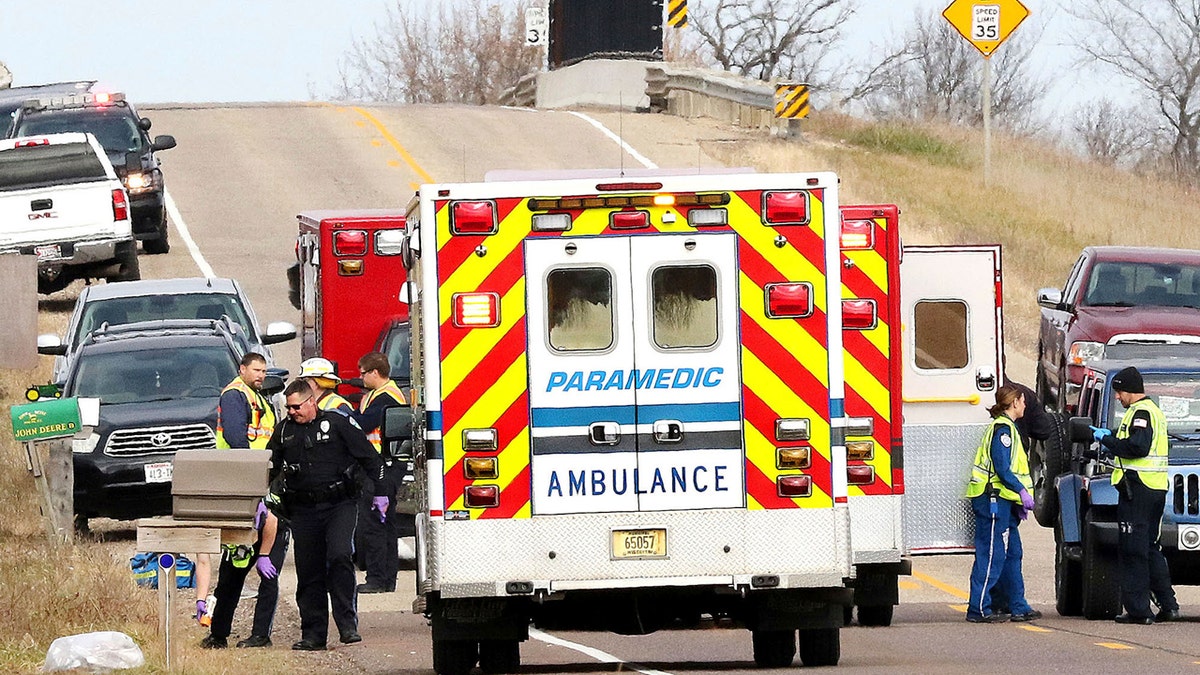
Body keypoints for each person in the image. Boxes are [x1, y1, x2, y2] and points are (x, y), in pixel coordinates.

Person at [267, 380, 390, 651]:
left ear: (312, 402)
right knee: (309, 570)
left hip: (339, 504)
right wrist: (261, 501)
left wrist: (381, 492)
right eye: (288, 407)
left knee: (338, 556)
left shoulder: (336, 423)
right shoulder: (285, 430)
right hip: (303, 509)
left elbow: (370, 459)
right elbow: (270, 467)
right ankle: (313, 633)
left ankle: (347, 624)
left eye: (297, 406)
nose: (292, 412)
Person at [1090, 366, 1180, 624]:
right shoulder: (1154, 412)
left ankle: (1139, 611)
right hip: (1154, 489)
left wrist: (1107, 441)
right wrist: (1116, 435)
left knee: (1133, 550)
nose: (1118, 397)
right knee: (1151, 548)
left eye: (1119, 392)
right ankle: (1168, 605)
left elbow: (1136, 447)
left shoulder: (1140, 412)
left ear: (1129, 390)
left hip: (1138, 489)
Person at [964, 384, 1040, 624]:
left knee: (1012, 553)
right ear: (1015, 402)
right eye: (1023, 400)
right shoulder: (1002, 431)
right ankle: (978, 608)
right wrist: (1021, 492)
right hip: (993, 501)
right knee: (992, 555)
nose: (1025, 405)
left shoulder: (1010, 428)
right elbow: (1002, 468)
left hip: (1005, 502)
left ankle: (1017, 605)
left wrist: (1018, 500)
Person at [353, 351, 407, 594]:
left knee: (375, 523)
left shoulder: (386, 398)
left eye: (363, 373)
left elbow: (364, 424)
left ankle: (377, 578)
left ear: (375, 373)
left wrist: (347, 416)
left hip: (383, 468)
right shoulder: (379, 394)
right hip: (384, 465)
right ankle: (385, 579)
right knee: (384, 524)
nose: (360, 378)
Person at [200, 501, 287, 648]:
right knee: (227, 581)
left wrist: (264, 555)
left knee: (268, 579)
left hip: (271, 530)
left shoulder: (248, 505)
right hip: (240, 537)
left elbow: (272, 521)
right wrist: (200, 599)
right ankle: (218, 635)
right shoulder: (209, 517)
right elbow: (203, 562)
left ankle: (261, 636)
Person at [217, 352, 275, 449]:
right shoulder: (234, 394)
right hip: (242, 460)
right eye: (256, 370)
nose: (260, 375)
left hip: (260, 458)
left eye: (263, 371)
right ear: (243, 369)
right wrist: (248, 460)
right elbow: (235, 436)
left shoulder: (256, 395)